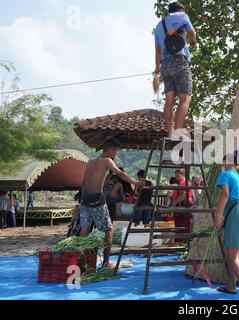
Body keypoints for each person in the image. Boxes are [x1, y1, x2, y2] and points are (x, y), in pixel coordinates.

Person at [79, 136, 143, 269]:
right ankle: (106, 263)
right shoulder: (107, 160)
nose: (116, 154)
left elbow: (84, 182)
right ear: (111, 149)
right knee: (109, 230)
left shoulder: (90, 161)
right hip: (97, 200)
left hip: (85, 199)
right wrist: (135, 182)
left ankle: (81, 260)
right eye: (116, 151)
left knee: (84, 230)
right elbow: (119, 173)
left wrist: (83, 200)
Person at [154, 2, 197, 138]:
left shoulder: (158, 26)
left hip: (165, 65)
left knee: (169, 101)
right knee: (185, 100)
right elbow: (192, 33)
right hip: (179, 61)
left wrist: (157, 68)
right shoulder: (182, 16)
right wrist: (193, 43)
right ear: (179, 10)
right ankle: (177, 133)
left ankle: (170, 132)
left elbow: (158, 50)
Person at [214, 151, 239, 300]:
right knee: (232, 252)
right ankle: (231, 286)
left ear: (226, 162)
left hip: (235, 212)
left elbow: (225, 194)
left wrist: (218, 215)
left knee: (232, 256)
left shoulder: (226, 174)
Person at [172, 169, 194, 242]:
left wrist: (175, 202)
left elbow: (184, 194)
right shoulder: (184, 182)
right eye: (176, 176)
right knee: (183, 225)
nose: (177, 178)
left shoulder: (183, 183)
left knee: (182, 225)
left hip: (183, 205)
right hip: (184, 205)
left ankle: (182, 242)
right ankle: (183, 241)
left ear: (183, 175)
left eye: (178, 176)